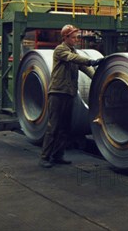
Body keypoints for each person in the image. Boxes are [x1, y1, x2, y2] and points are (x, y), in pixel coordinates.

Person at [39, 24, 103, 168]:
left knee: (65, 127)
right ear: (65, 37)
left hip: (69, 94)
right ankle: (44, 157)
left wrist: (99, 78)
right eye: (73, 37)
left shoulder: (74, 53)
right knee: (53, 126)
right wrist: (90, 61)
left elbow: (86, 69)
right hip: (57, 93)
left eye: (76, 37)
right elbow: (74, 59)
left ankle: (57, 155)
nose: (76, 40)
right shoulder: (61, 50)